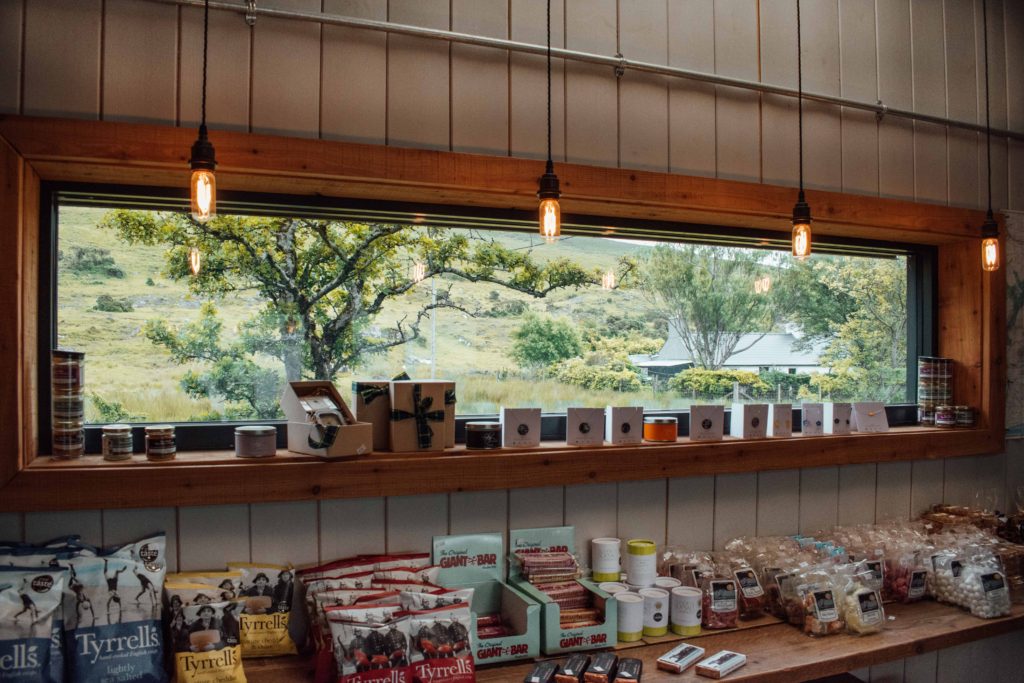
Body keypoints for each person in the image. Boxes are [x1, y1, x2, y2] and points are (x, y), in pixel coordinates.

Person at [104, 559, 127, 623]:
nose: (118, 595)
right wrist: (120, 608)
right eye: (118, 596)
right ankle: (122, 570)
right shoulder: (117, 595)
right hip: (114, 582)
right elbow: (119, 601)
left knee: (105, 572)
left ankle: (106, 562)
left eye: (117, 596)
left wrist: (108, 611)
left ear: (115, 597)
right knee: (116, 571)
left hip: (110, 582)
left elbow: (108, 603)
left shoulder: (111, 595)